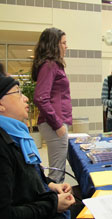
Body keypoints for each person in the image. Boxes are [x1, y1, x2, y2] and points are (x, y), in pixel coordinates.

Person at [0, 75, 75, 218]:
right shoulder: (3, 146)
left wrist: (50, 185)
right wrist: (52, 205)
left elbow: (26, 179)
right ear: (1, 105)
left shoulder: (17, 136)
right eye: (18, 93)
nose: (26, 98)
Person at [32, 27, 72, 183]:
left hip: (56, 122)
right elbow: (40, 97)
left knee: (58, 171)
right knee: (57, 173)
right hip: (53, 124)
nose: (66, 46)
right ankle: (55, 205)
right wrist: (57, 125)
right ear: (54, 45)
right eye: (63, 43)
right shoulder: (50, 65)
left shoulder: (53, 65)